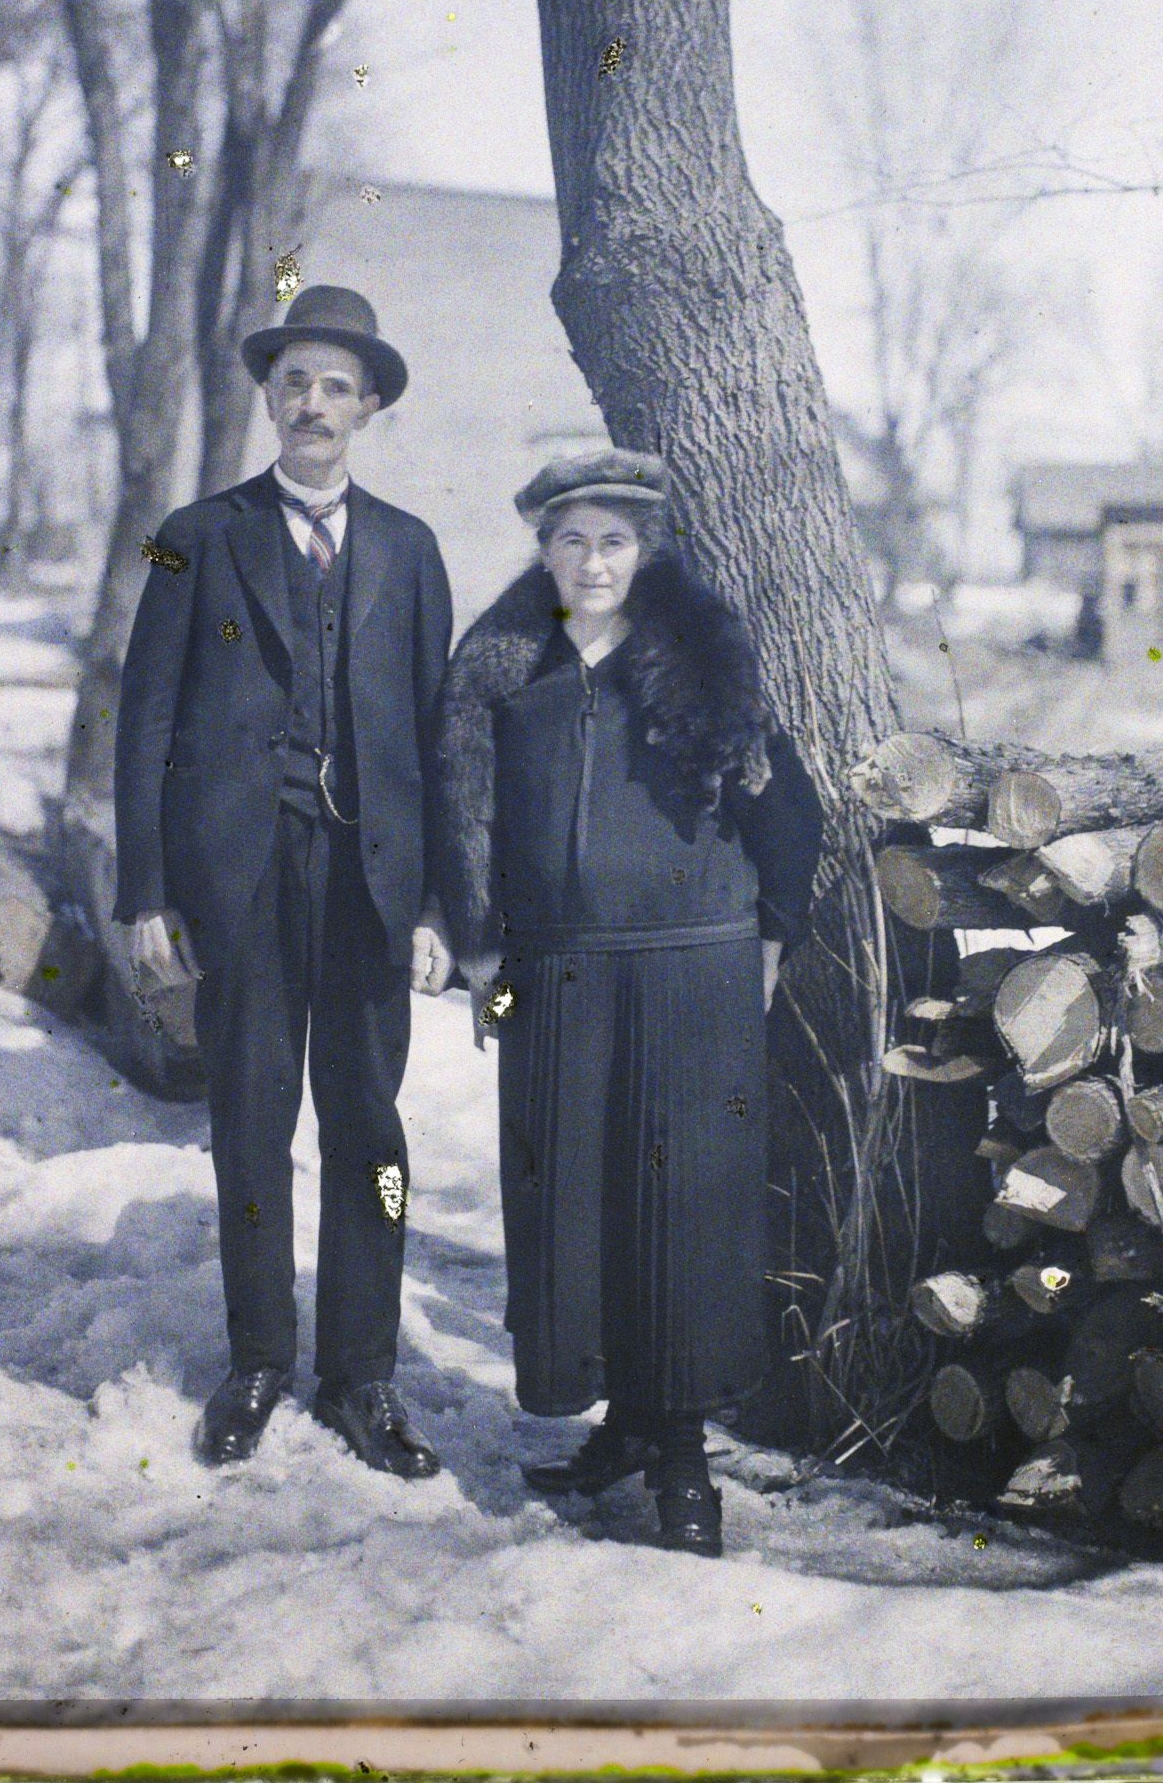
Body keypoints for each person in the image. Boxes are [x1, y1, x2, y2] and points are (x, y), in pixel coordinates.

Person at [433, 449, 823, 1556]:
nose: (591, 561)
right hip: (555, 975)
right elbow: (470, 828)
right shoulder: (506, 675)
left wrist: (772, 939)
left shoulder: (704, 668)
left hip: (691, 969)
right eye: (570, 539)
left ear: (644, 552)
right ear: (542, 549)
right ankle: (625, 1424)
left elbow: (788, 817)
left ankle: (685, 1458)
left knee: (684, 1213)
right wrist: (476, 953)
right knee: (577, 1203)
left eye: (612, 540)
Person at [113, 284, 454, 1475]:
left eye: (336, 385)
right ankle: (256, 1356)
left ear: (369, 406)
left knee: (371, 1129)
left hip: (369, 880)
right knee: (249, 1122)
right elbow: (143, 715)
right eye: (294, 381)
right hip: (237, 879)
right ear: (270, 397)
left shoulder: (410, 550)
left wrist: (435, 904)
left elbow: (434, 734)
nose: (313, 404)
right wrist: (146, 892)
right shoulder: (191, 532)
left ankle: (362, 1376)